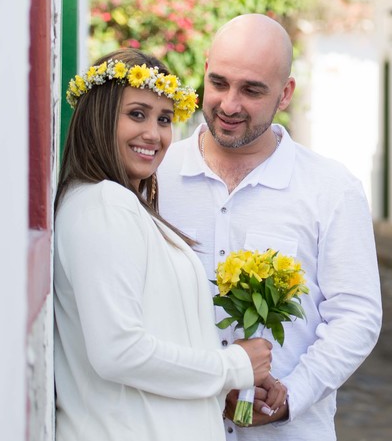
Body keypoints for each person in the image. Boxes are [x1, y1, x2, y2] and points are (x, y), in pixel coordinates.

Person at [157, 14, 383, 440]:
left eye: (252, 90)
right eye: (219, 83)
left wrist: (289, 398)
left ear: (285, 93)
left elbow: (357, 316)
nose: (229, 105)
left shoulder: (331, 189)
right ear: (204, 70)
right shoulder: (155, 178)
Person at [54, 47, 284, 441]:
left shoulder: (125, 205)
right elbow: (119, 352)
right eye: (136, 114)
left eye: (164, 119)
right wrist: (233, 365)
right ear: (99, 116)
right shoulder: (104, 204)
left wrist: (225, 381)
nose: (154, 134)